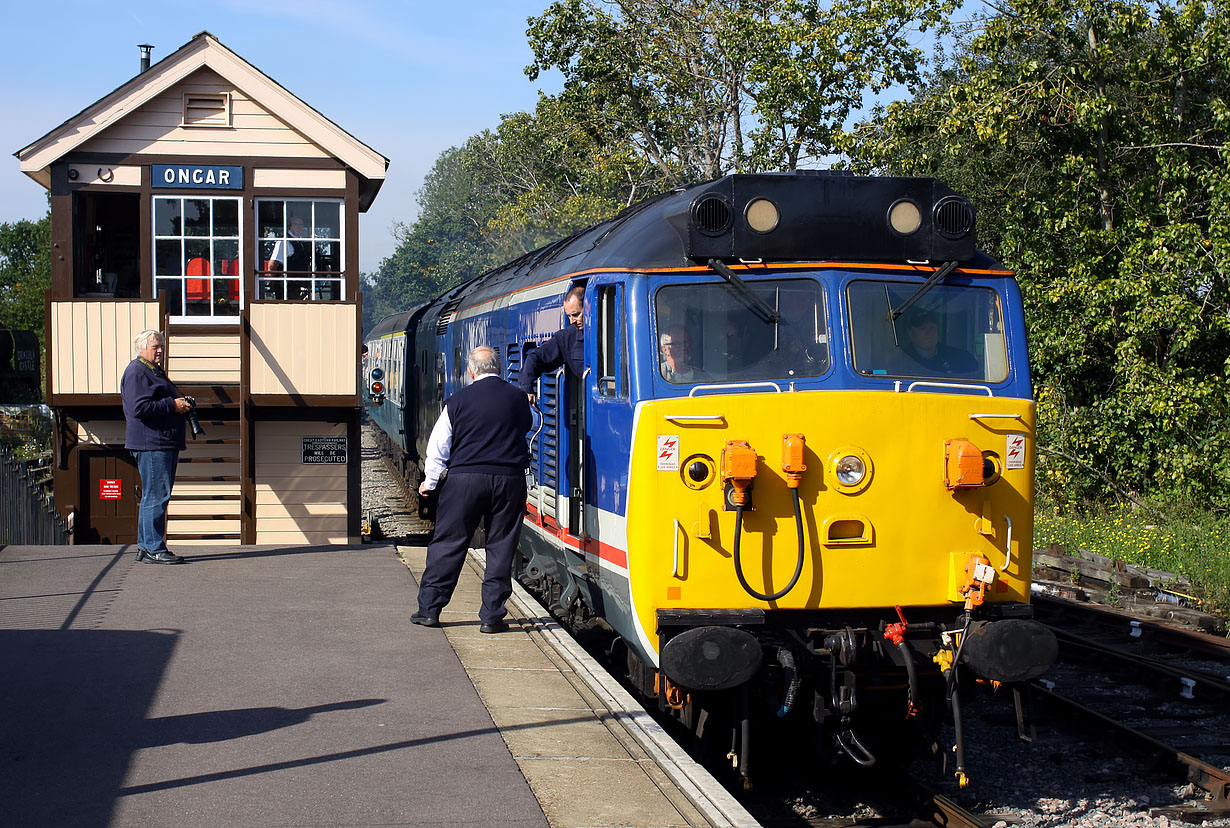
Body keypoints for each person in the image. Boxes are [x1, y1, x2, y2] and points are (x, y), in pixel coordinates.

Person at [413, 347, 534, 634]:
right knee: (501, 547)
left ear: (471, 371)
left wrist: (430, 483)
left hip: (464, 480)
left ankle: (430, 610)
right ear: (500, 368)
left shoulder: (457, 401)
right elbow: (526, 428)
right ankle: (492, 617)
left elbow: (439, 446)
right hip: (508, 480)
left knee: (449, 544)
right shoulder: (518, 398)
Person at [121, 329, 193, 565]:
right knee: (157, 496)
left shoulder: (149, 371)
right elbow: (139, 408)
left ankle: (146, 547)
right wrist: (172, 405)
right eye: (155, 347)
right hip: (152, 443)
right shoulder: (137, 371)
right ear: (142, 348)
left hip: (159, 441)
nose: (160, 350)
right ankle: (153, 547)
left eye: (161, 345)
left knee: (153, 495)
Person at [517, 285, 584, 404]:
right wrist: (527, 388)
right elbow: (535, 358)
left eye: (576, 315)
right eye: (569, 316)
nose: (572, 321)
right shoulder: (568, 337)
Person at [901, 311, 980, 377]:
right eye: (923, 328)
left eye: (932, 327)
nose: (929, 332)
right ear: (910, 333)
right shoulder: (900, 362)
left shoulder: (962, 358)